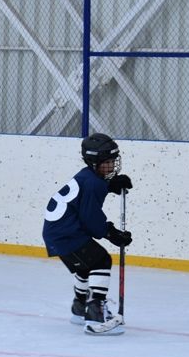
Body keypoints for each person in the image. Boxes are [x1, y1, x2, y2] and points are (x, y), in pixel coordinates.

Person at [42, 133, 133, 335]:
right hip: (66, 234)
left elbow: (84, 201)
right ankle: (94, 316)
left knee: (85, 268)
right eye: (107, 162)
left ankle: (79, 307)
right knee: (100, 261)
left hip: (57, 233)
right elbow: (91, 218)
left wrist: (110, 186)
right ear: (94, 162)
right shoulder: (93, 182)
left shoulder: (88, 176)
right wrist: (111, 233)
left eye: (113, 161)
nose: (112, 166)